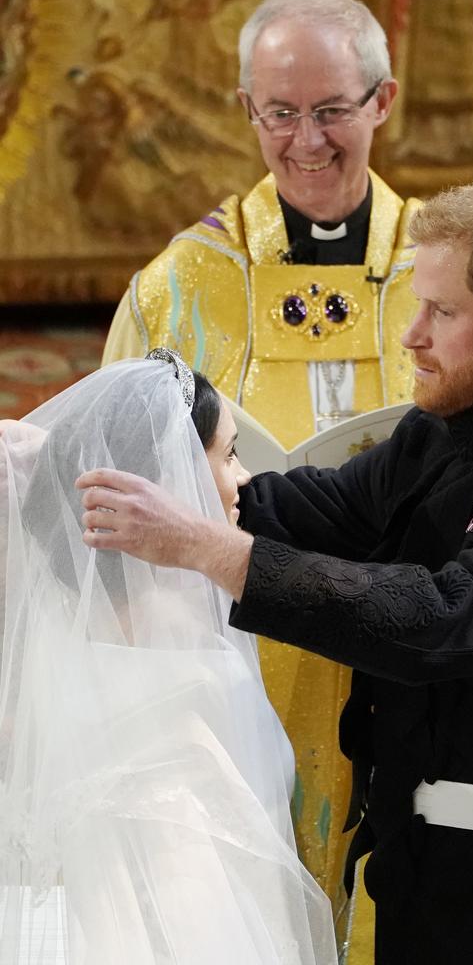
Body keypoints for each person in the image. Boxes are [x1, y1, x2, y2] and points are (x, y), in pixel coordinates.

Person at [79, 176, 473, 965]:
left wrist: (203, 546)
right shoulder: (440, 436)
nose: (411, 335)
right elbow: (300, 511)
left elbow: (443, 619)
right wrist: (71, 476)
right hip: (420, 879)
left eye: (441, 313)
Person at [102, 0, 419, 943]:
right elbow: (111, 482)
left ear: (382, 102)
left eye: (331, 110)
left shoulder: (452, 270)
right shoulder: (179, 286)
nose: (307, 140)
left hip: (415, 642)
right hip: (238, 653)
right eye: (281, 112)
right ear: (248, 109)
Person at [0, 351, 337, 965]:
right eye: (228, 454)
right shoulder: (168, 653)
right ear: (168, 473)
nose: (243, 479)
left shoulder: (86, 637)